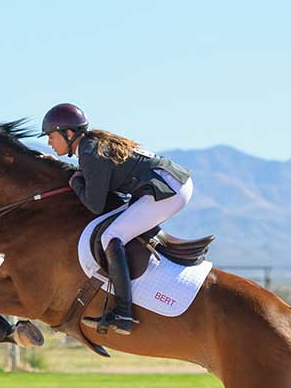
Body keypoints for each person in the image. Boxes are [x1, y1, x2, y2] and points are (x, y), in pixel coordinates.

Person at [40, 103, 193, 335]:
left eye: (51, 136)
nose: (49, 142)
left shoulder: (90, 151)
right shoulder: (91, 147)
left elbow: (94, 204)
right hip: (170, 183)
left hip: (168, 189)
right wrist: (63, 168)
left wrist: (74, 183)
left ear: (68, 133)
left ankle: (123, 312)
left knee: (112, 235)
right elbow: (89, 174)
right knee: (117, 229)